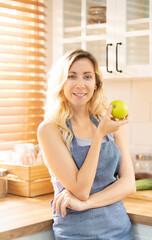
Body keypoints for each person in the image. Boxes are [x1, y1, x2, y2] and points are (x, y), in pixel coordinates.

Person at [37, 49, 136, 240]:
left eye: (87, 76)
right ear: (62, 83)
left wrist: (87, 204)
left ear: (96, 83)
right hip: (76, 234)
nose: (80, 85)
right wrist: (99, 136)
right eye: (72, 77)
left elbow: (128, 184)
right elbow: (80, 190)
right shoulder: (49, 129)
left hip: (120, 231)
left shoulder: (109, 121)